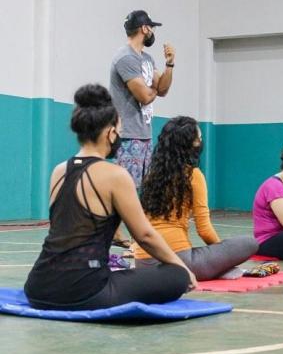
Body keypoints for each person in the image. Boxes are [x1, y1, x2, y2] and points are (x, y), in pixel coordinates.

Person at [24, 84, 196, 310]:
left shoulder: (58, 171)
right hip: (86, 292)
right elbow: (144, 235)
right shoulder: (115, 175)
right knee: (176, 276)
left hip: (37, 289)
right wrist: (182, 268)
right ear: (110, 133)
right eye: (120, 130)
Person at [134, 116, 258, 280]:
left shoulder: (151, 176)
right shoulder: (193, 175)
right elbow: (204, 229)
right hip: (179, 262)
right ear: (190, 145)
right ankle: (218, 270)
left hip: (142, 262)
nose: (201, 141)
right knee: (250, 243)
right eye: (199, 139)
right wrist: (223, 257)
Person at [109, 9, 176, 248]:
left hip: (144, 134)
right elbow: (145, 96)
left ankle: (139, 229)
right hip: (128, 135)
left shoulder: (147, 60)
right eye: (152, 27)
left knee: (144, 188)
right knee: (126, 187)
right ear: (144, 28)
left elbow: (163, 89)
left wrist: (169, 64)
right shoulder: (125, 58)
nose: (154, 32)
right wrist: (154, 88)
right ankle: (116, 231)